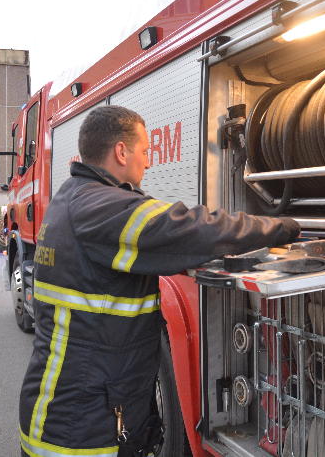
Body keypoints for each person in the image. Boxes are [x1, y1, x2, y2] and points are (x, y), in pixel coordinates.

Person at [19, 105, 299, 457]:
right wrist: (283, 228)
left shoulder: (73, 196)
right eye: (145, 151)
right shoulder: (100, 207)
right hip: (79, 429)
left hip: (79, 407)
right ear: (121, 152)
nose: (148, 163)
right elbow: (190, 229)